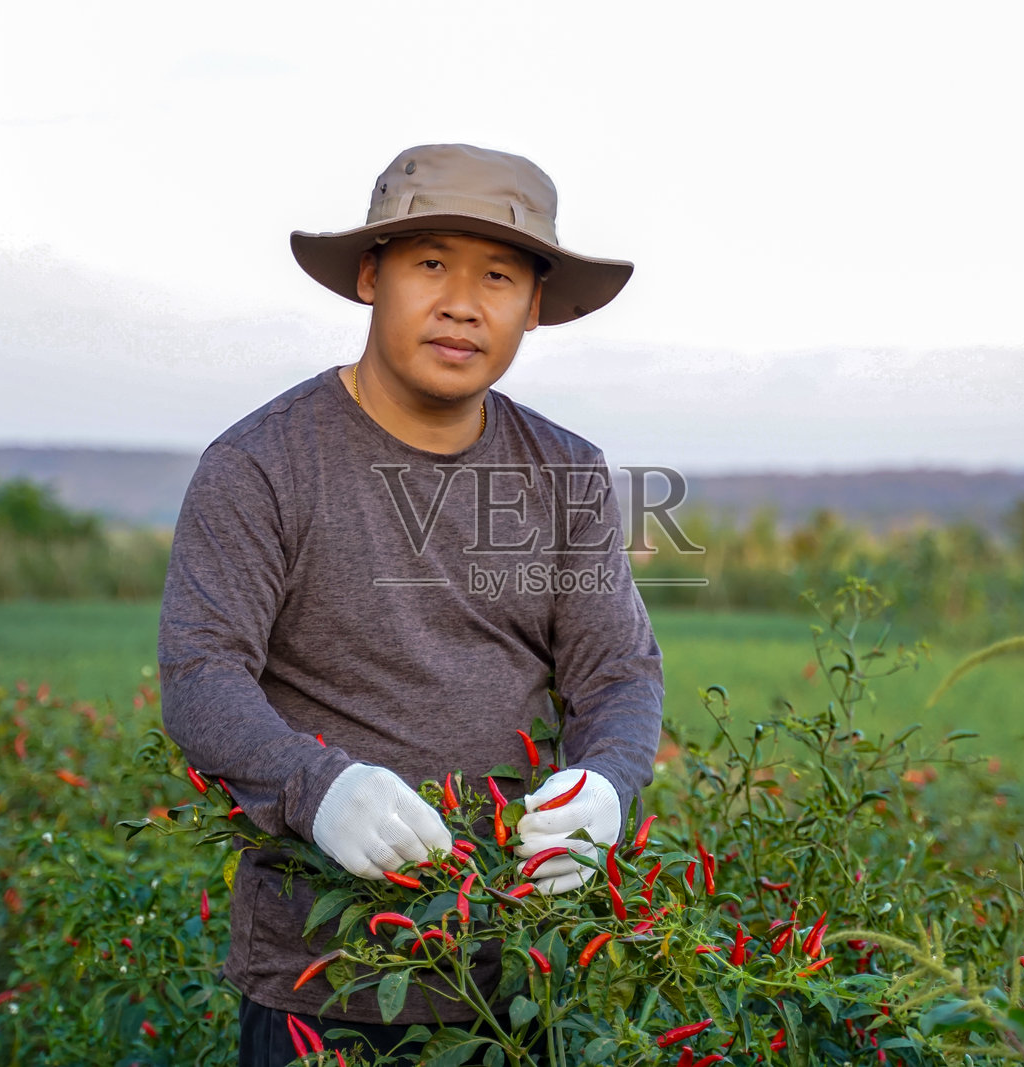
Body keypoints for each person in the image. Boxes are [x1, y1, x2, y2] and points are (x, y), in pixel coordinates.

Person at [156, 143, 664, 1066]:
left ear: (535, 307)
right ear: (369, 276)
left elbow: (618, 674)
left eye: (500, 276)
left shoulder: (568, 474)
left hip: (519, 977)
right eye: (431, 263)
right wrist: (318, 789)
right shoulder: (263, 465)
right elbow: (200, 677)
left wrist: (609, 784)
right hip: (326, 978)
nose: (463, 302)